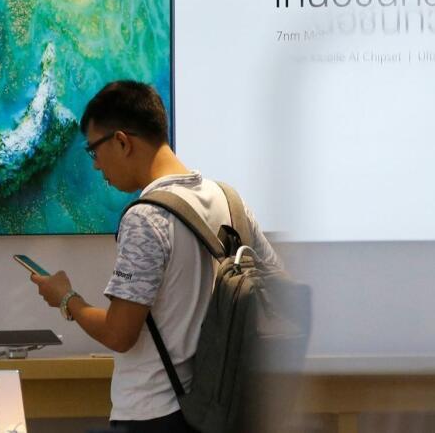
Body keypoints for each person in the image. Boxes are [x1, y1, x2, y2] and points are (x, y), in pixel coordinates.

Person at [30, 80, 281, 433]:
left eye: (93, 151)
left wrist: (66, 299)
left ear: (121, 141)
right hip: (223, 410)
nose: (97, 167)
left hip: (154, 412)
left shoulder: (145, 217)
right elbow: (279, 289)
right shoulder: (231, 201)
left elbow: (120, 334)